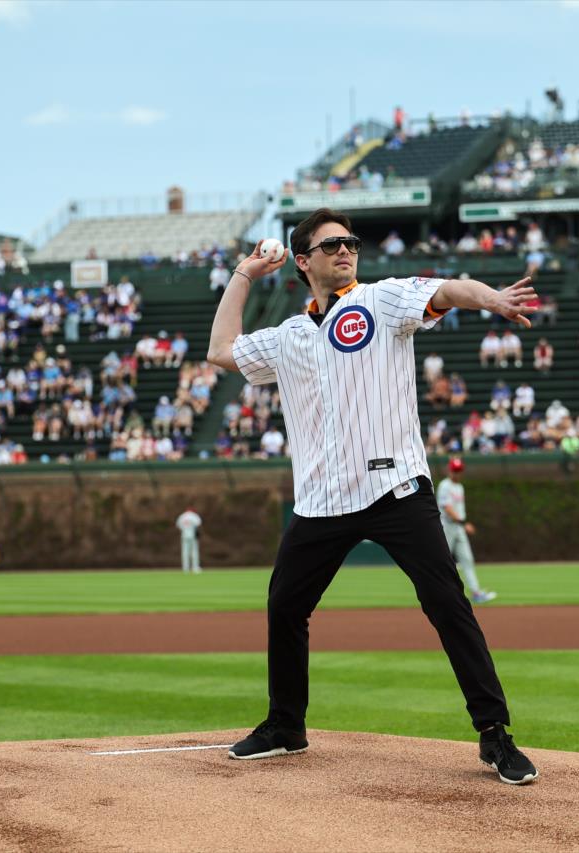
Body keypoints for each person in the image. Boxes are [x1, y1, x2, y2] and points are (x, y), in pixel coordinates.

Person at [205, 207, 538, 783]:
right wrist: (243, 274)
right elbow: (220, 351)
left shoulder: (382, 301)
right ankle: (286, 725)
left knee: (447, 604)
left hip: (395, 487)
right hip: (321, 500)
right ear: (303, 261)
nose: (345, 250)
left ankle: (495, 735)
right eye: (331, 244)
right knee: (285, 605)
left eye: (351, 242)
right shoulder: (288, 337)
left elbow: (449, 289)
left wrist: (491, 300)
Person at [436, 457, 496, 604]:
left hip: (458, 527)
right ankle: (436, 593)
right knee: (442, 562)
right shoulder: (445, 485)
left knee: (467, 559)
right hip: (447, 526)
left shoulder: (459, 487)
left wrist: (462, 524)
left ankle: (476, 593)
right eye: (454, 470)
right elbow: (447, 508)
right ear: (449, 470)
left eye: (459, 470)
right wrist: (464, 522)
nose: (457, 473)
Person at [176, 506, 203, 573]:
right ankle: (195, 568)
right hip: (192, 535)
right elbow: (198, 523)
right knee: (194, 552)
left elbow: (178, 525)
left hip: (184, 535)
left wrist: (184, 529)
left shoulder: (182, 516)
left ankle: (185, 568)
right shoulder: (194, 516)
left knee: (185, 552)